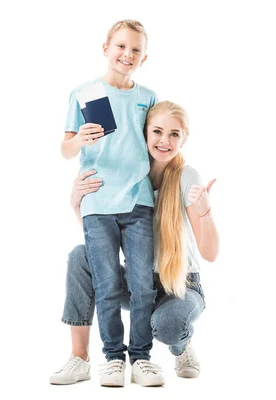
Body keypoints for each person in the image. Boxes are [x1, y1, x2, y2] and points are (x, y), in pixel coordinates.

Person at [50, 101, 219, 386]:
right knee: (81, 256)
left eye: (174, 134)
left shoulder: (186, 177)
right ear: (144, 133)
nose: (164, 141)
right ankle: (79, 358)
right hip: (136, 282)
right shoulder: (125, 177)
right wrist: (77, 204)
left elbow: (210, 254)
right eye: (157, 131)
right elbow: (103, 243)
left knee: (167, 325)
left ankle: (182, 344)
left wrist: (205, 211)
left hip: (180, 285)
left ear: (184, 139)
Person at [59, 20, 160, 387]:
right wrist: (80, 140)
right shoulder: (85, 93)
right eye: (120, 46)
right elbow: (65, 148)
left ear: (143, 57)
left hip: (138, 201)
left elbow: (156, 146)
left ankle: (142, 357)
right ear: (106, 48)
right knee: (106, 285)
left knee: (141, 282)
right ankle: (114, 358)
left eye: (135, 50)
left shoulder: (147, 98)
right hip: (98, 200)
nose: (126, 55)